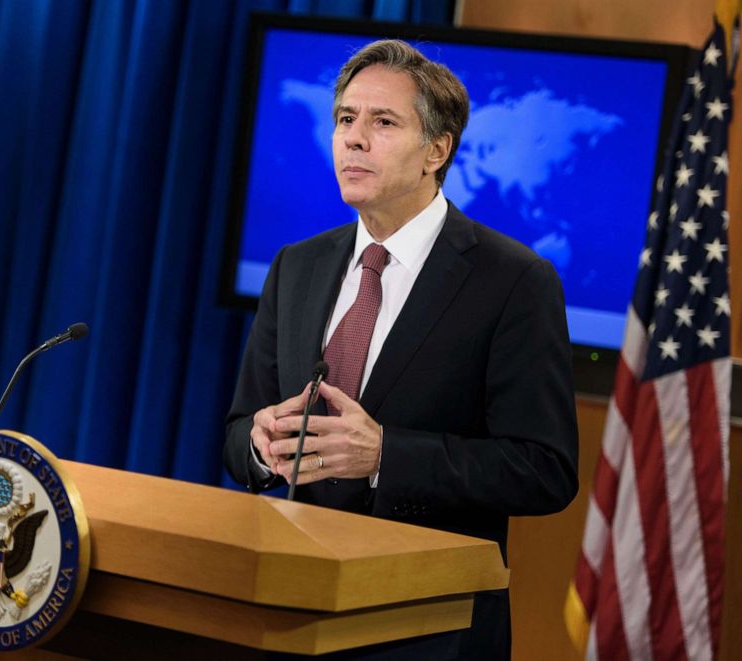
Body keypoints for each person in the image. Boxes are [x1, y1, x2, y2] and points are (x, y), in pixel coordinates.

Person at [224, 39, 578, 659]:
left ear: (436, 150)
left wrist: (387, 455)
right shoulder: (296, 266)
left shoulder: (513, 280)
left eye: (382, 122)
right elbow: (237, 431)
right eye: (344, 119)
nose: (353, 139)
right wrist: (260, 447)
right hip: (293, 609)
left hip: (427, 625)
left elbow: (544, 470)